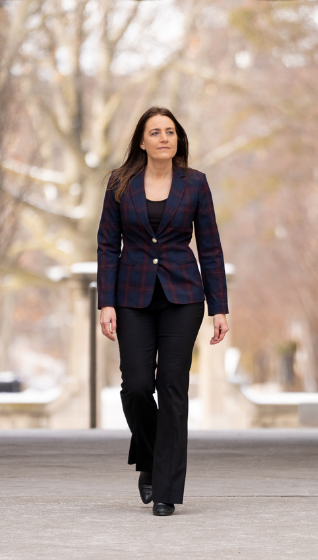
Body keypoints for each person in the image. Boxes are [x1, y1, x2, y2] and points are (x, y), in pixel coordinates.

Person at [97, 105, 229, 517]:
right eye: (155, 132)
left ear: (177, 139)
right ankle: (154, 458)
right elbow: (106, 245)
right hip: (132, 296)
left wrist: (219, 307)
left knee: (173, 386)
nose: (163, 138)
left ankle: (166, 488)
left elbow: (209, 247)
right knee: (136, 386)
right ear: (142, 141)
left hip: (182, 297)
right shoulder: (120, 184)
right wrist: (106, 301)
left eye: (169, 132)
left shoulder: (195, 185)